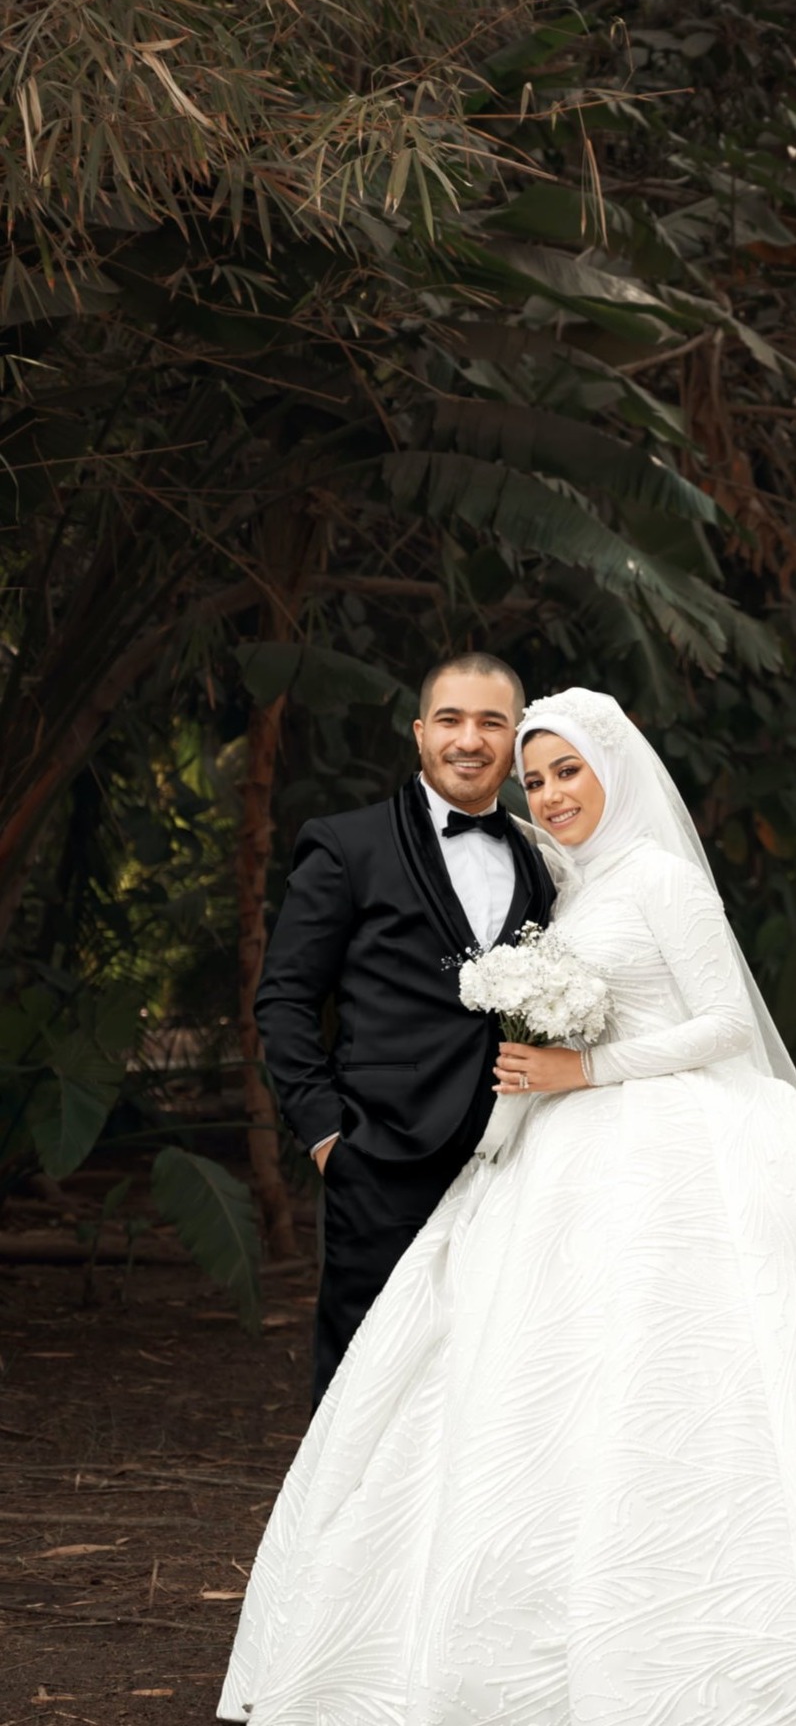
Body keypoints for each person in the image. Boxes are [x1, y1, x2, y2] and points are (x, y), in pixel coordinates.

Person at [219, 687, 796, 1726]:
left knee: (665, 1371)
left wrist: (586, 1067)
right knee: (529, 1379)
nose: (550, 794)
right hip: (550, 1152)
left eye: (567, 770)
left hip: (664, 1145)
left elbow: (722, 1022)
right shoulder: (567, 885)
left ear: (613, 767)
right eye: (536, 780)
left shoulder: (661, 877)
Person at [256, 652, 556, 1408]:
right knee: (366, 1377)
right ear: (420, 733)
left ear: (516, 738)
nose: (470, 739)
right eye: (451, 719)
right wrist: (328, 1137)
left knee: (492, 1375)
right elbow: (285, 999)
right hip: (382, 1154)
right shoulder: (346, 844)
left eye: (491, 722)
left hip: (517, 1162)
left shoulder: (544, 859)